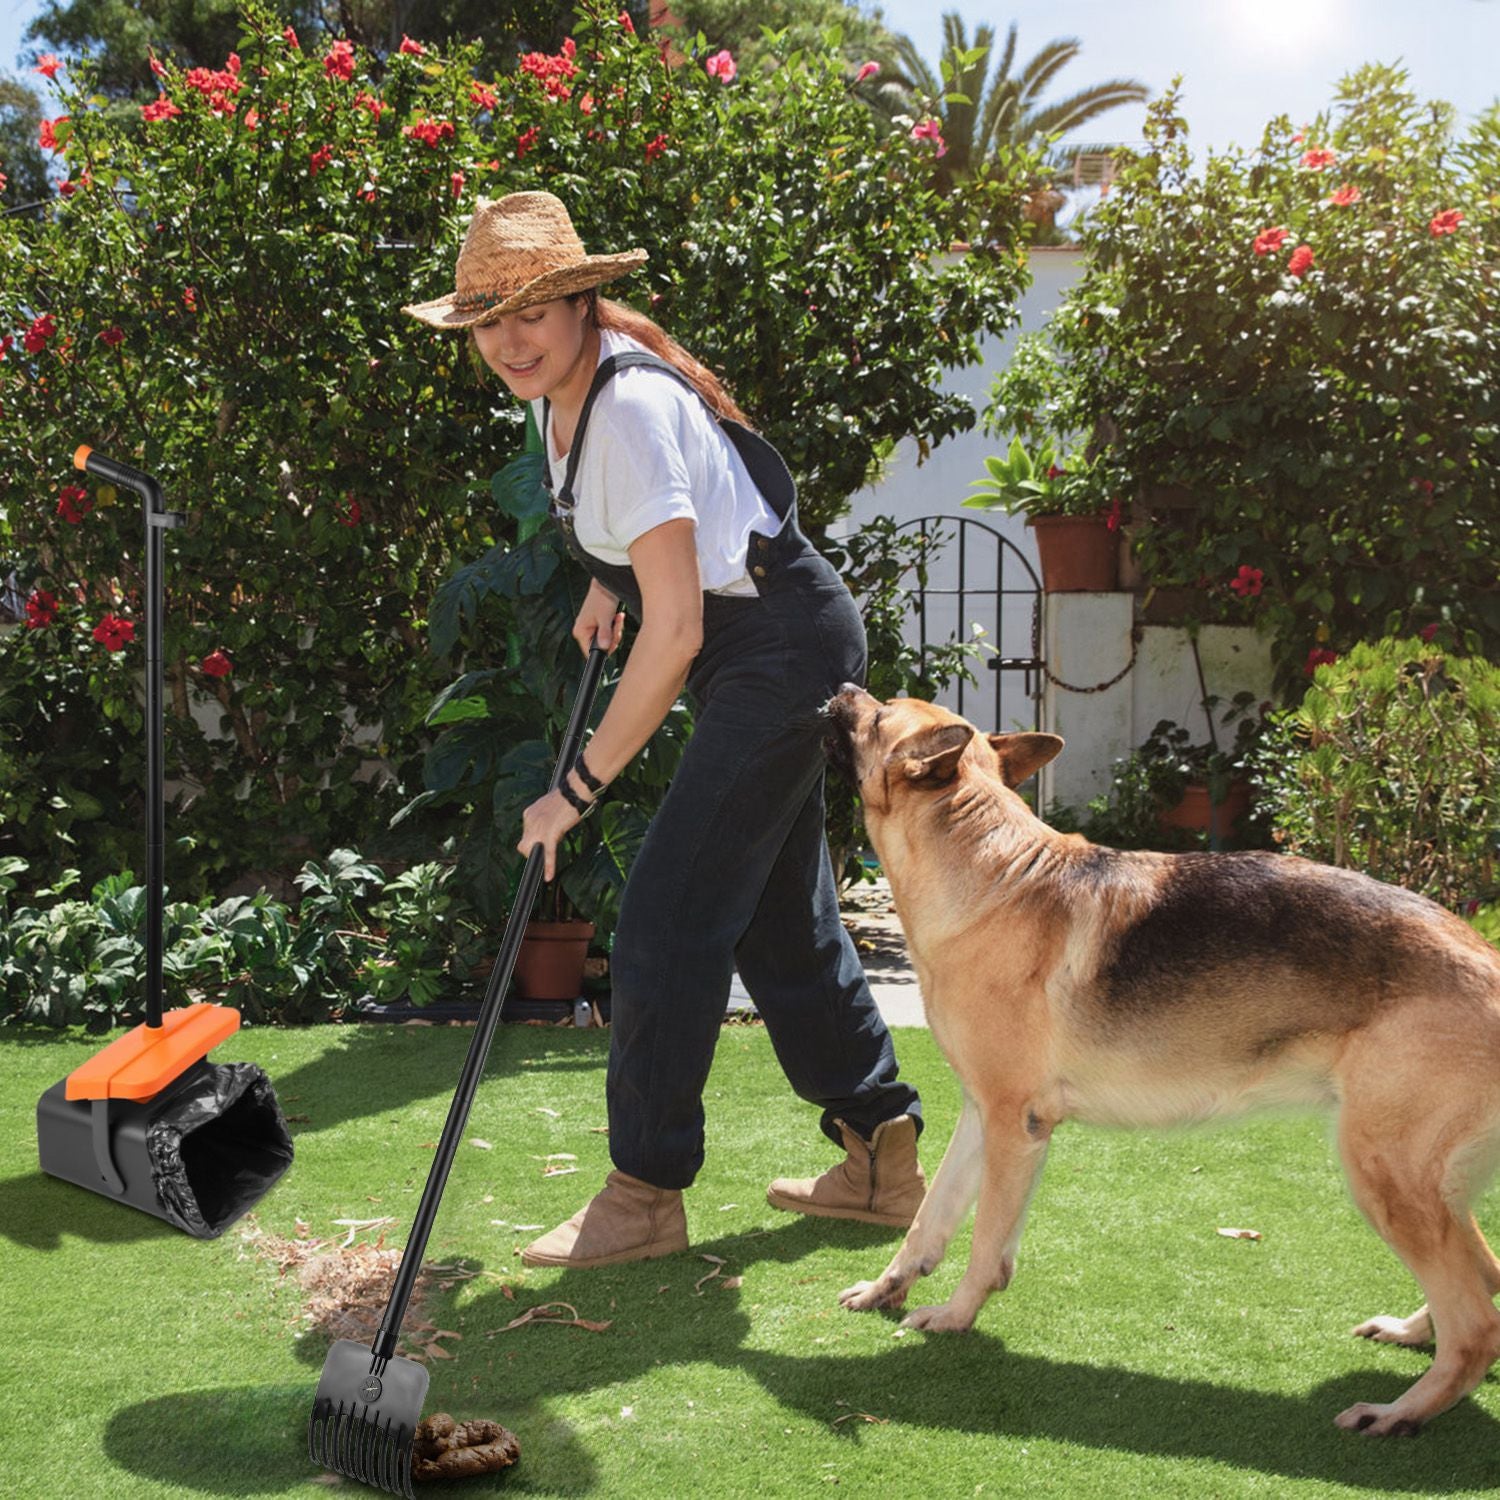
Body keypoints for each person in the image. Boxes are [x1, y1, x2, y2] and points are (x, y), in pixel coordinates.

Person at [402, 192, 924, 1268]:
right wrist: (614, 586)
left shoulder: (627, 406)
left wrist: (576, 787)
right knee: (778, 918)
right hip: (760, 639)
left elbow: (681, 625)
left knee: (666, 917)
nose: (508, 339)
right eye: (487, 318)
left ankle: (644, 1195)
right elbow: (670, 552)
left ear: (584, 301)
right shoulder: (560, 397)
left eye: (531, 311)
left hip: (777, 652)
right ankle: (883, 1152)